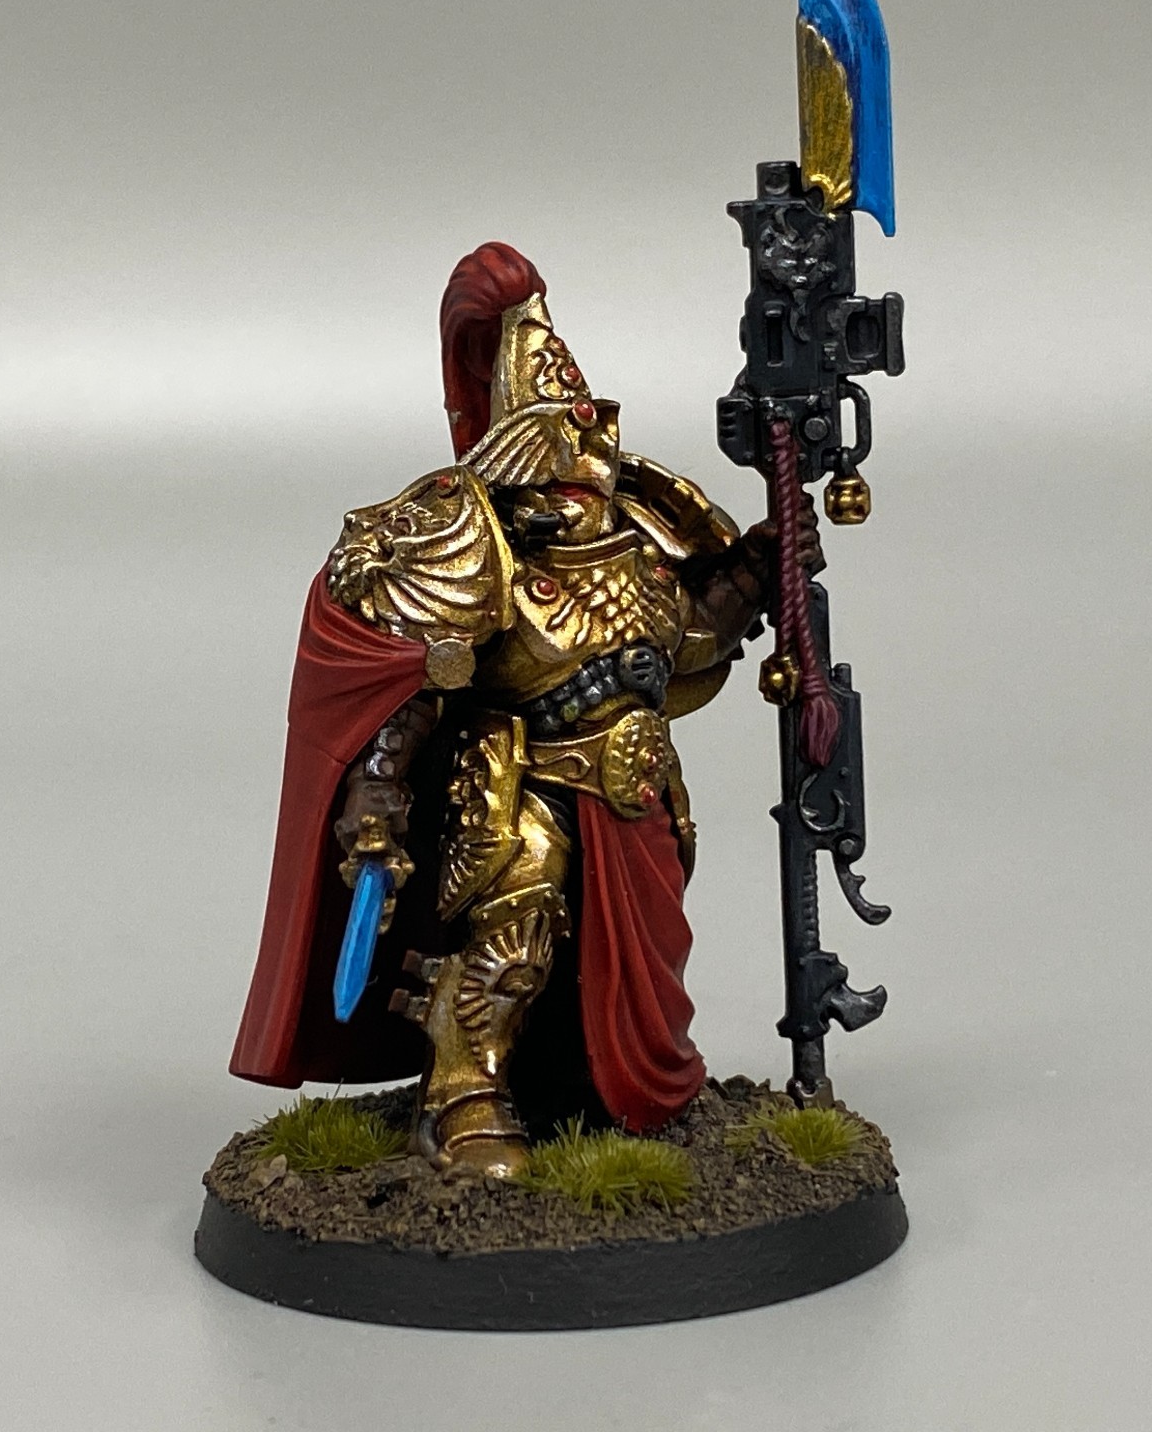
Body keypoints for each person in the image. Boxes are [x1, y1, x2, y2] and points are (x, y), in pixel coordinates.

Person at [229, 242, 818, 1176]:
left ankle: (598, 1084)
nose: (587, 460)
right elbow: (415, 684)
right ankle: (463, 1095)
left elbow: (684, 644)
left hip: (635, 789)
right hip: (520, 784)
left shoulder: (637, 546)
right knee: (517, 923)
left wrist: (755, 567)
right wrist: (376, 794)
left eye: (592, 438)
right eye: (562, 442)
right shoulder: (475, 541)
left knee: (642, 956)